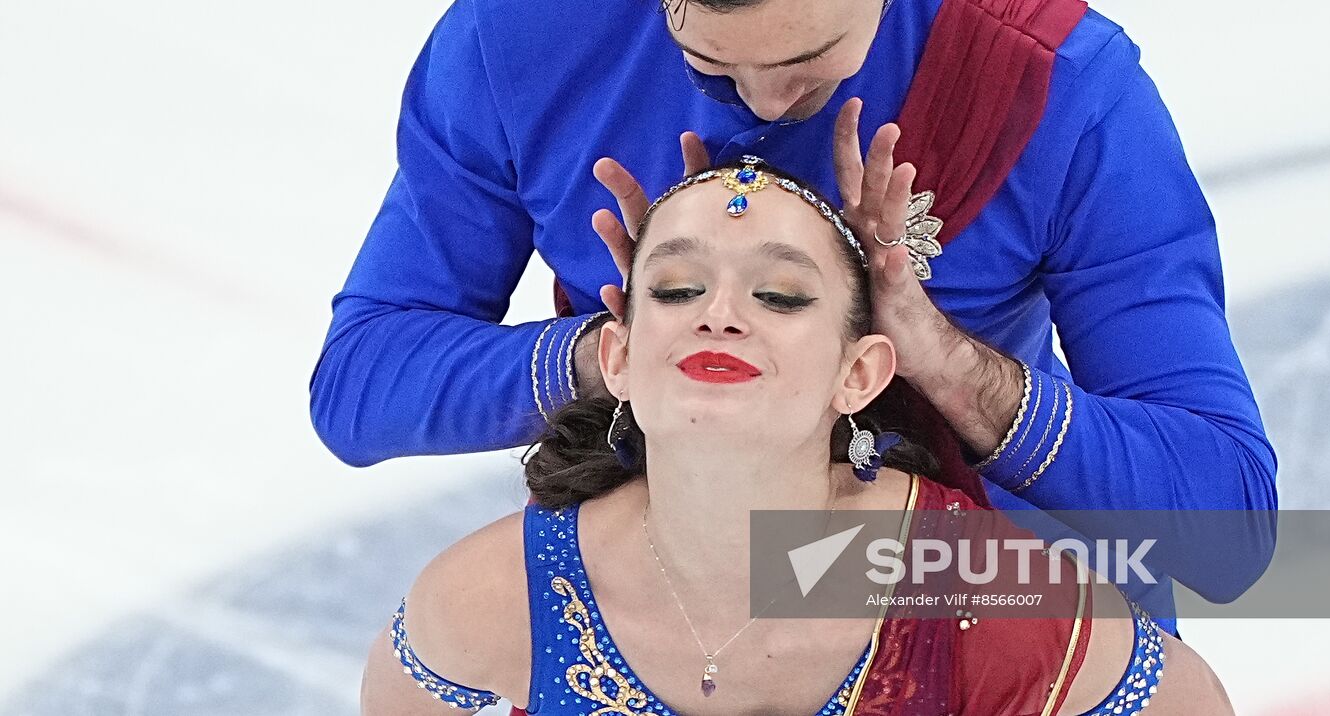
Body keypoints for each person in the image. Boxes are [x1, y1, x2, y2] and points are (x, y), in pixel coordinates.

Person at [309, 0, 1279, 623]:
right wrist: (627, 343)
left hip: (976, 584)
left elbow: (1226, 526)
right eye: (709, 63)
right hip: (667, 579)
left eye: (810, 58)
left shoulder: (1053, 82)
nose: (764, 104)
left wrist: (940, 358)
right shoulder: (516, 38)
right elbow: (361, 386)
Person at [358, 159, 1234, 715]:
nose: (721, 316)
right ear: (617, 358)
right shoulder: (504, 592)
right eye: (675, 291)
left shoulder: (964, 585)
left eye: (780, 296)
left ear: (859, 374)